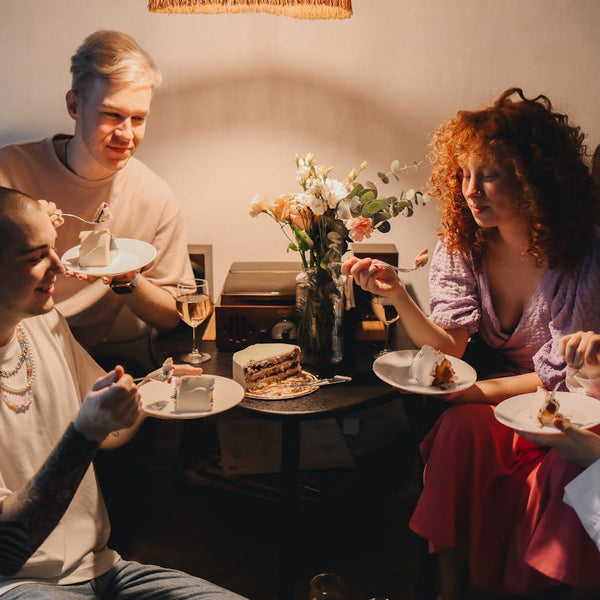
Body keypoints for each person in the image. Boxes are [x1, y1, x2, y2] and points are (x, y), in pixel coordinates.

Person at [343, 88, 600, 597]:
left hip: (573, 395)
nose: (470, 190)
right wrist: (397, 295)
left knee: (474, 421)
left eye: (488, 174)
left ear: (532, 179)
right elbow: (450, 348)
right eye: (463, 174)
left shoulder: (580, 257)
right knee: (459, 429)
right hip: (505, 393)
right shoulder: (462, 244)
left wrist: (475, 393)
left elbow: (561, 375)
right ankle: (450, 588)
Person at [0, 188, 245, 599]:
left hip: (104, 567)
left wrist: (150, 392)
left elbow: (111, 432)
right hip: (17, 585)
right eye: (35, 257)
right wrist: (84, 434)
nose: (58, 267)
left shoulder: (44, 323)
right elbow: (7, 552)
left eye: (54, 250)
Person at [0, 29, 193, 374]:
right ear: (74, 105)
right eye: (111, 115)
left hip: (88, 360)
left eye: (138, 118)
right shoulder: (9, 170)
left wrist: (126, 277)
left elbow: (172, 318)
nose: (126, 134)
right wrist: (22, 227)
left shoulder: (156, 198)